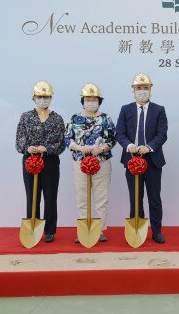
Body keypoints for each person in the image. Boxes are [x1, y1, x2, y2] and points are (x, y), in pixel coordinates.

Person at [116, 73, 168, 243]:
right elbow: (120, 133)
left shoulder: (159, 110)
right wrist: (129, 146)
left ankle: (157, 232)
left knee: (154, 198)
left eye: (145, 88)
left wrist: (149, 147)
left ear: (150, 90)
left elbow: (162, 134)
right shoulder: (126, 109)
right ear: (133, 91)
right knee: (135, 198)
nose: (142, 91)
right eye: (139, 88)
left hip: (152, 160)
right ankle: (137, 229)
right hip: (131, 159)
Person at [65, 83, 116, 242]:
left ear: (99, 101)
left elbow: (113, 139)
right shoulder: (74, 118)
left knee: (102, 197)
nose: (91, 102)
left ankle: (99, 231)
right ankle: (83, 230)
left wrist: (101, 149)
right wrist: (79, 148)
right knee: (82, 197)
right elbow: (67, 139)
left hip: (101, 163)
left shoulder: (106, 118)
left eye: (94, 99)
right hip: (80, 163)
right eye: (88, 99)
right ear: (83, 101)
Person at [15, 80, 65, 243]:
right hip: (30, 161)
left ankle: (50, 230)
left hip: (50, 162)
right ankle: (33, 225)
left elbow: (60, 143)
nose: (43, 100)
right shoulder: (26, 117)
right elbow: (19, 140)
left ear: (50, 98)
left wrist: (47, 148)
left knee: (50, 196)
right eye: (40, 97)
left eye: (46, 97)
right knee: (32, 195)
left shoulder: (57, 118)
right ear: (34, 97)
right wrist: (27, 148)